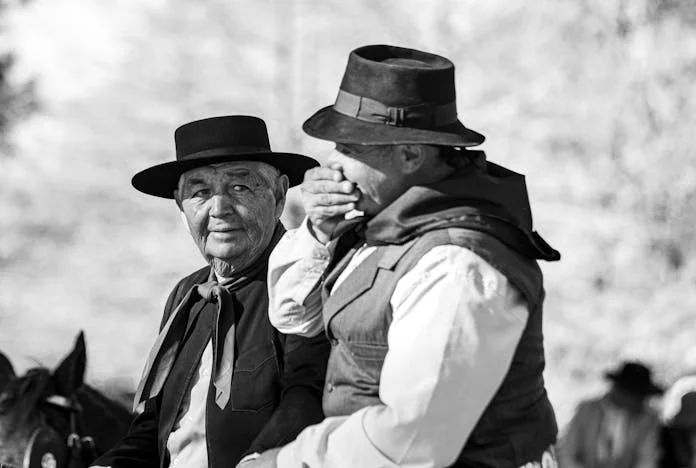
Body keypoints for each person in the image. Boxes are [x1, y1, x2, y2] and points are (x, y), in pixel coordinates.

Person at [248, 44, 562, 467]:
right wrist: (320, 230)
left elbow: (411, 440)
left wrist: (282, 462)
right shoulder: (384, 224)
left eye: (350, 150)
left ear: (411, 154)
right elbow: (292, 315)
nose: (331, 166)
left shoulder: (456, 262)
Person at [91, 115, 330, 468]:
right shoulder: (186, 295)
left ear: (279, 194)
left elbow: (307, 400)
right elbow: (151, 429)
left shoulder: (305, 278)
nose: (219, 209)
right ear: (180, 204)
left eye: (240, 188)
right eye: (200, 192)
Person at [558, 361, 663, 468]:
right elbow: (566, 453)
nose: (642, 402)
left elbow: (647, 459)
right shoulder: (587, 410)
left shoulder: (648, 419)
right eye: (637, 396)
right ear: (620, 391)